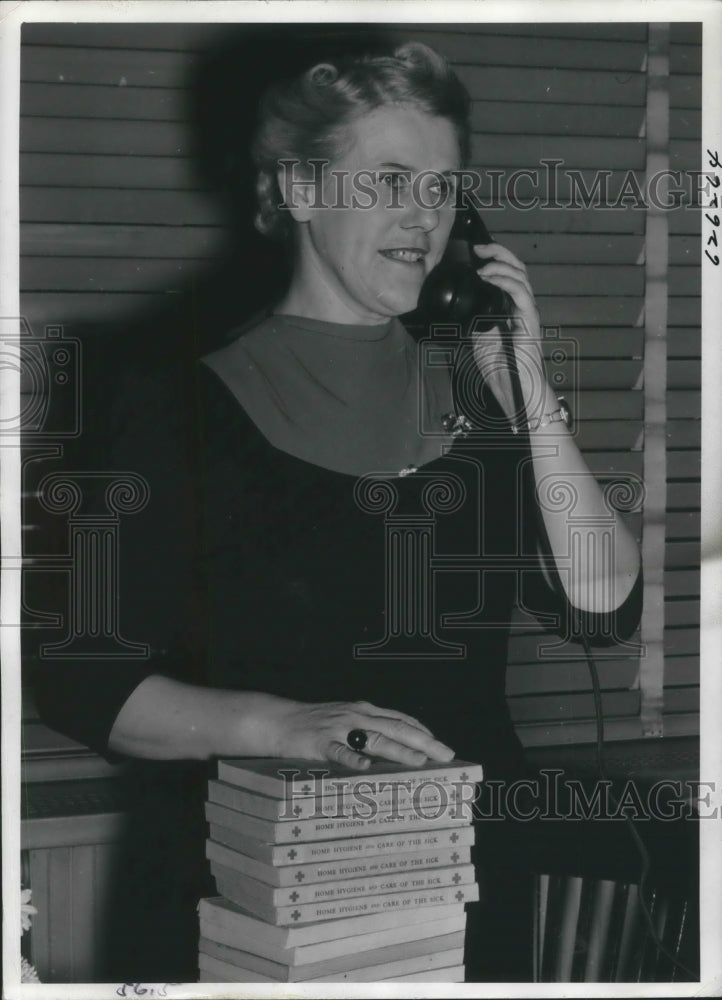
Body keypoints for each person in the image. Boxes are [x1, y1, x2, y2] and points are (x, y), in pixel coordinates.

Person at [31, 39, 642, 982]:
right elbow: (81, 680)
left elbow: (602, 608)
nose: (424, 217)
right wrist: (282, 726)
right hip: (264, 897)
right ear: (303, 190)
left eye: (443, 188)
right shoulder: (171, 401)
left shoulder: (477, 396)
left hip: (466, 891)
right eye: (391, 178)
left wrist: (532, 390)